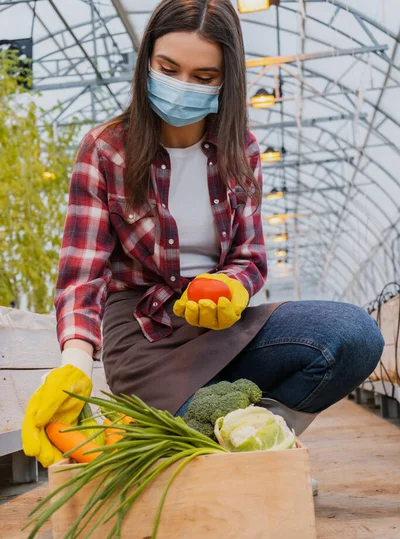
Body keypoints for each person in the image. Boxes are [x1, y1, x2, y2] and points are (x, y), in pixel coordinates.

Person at [22, 0, 384, 469]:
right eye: (168, 68)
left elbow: (250, 257)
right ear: (146, 61)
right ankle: (223, 443)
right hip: (144, 338)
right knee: (184, 433)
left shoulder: (240, 149)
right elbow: (81, 273)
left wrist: (232, 287)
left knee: (354, 334)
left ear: (225, 80)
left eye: (203, 76)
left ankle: (259, 451)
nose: (182, 87)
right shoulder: (105, 148)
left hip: (222, 329)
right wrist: (74, 361)